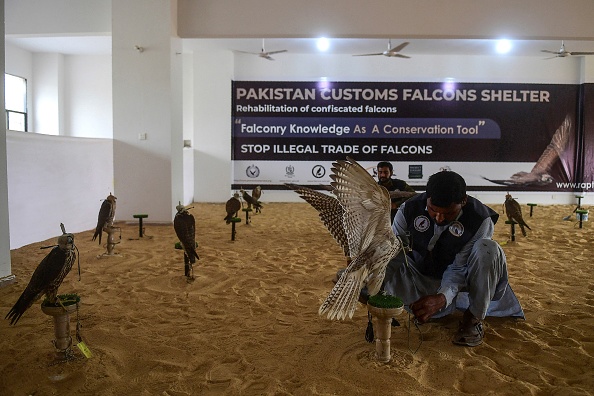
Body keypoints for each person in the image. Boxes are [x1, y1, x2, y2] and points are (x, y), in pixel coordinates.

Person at [379, 170, 524, 347]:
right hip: (420, 275)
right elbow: (393, 253)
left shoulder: (480, 220)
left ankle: (473, 319)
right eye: (433, 210)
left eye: (448, 213)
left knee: (488, 249)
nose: (439, 218)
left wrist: (442, 297)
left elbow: (459, 268)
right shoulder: (408, 209)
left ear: (463, 202)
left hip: (463, 281)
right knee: (383, 254)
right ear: (427, 198)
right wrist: (375, 282)